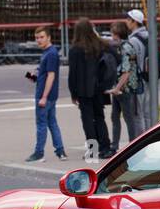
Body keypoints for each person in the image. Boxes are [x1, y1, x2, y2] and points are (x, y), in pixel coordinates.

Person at [68, 18, 114, 160]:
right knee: (100, 117)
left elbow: (73, 74)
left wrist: (73, 93)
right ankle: (105, 147)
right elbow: (115, 58)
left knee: (87, 120)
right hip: (99, 88)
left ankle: (93, 151)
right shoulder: (100, 45)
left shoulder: (75, 49)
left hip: (83, 90)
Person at [24, 27, 66, 163]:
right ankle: (60, 151)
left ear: (49, 37)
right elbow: (44, 74)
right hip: (49, 94)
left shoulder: (51, 53)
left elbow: (51, 76)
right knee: (52, 122)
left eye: (41, 37)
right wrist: (34, 77)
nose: (39, 40)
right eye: (37, 38)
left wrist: (43, 97)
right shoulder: (47, 53)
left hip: (45, 95)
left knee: (41, 124)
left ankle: (39, 153)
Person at [108, 20, 145, 146]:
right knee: (115, 117)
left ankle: (131, 144)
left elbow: (126, 71)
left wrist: (117, 88)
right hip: (122, 88)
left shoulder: (126, 48)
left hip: (125, 88)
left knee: (129, 118)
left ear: (117, 34)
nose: (112, 36)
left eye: (112, 33)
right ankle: (115, 144)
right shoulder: (124, 46)